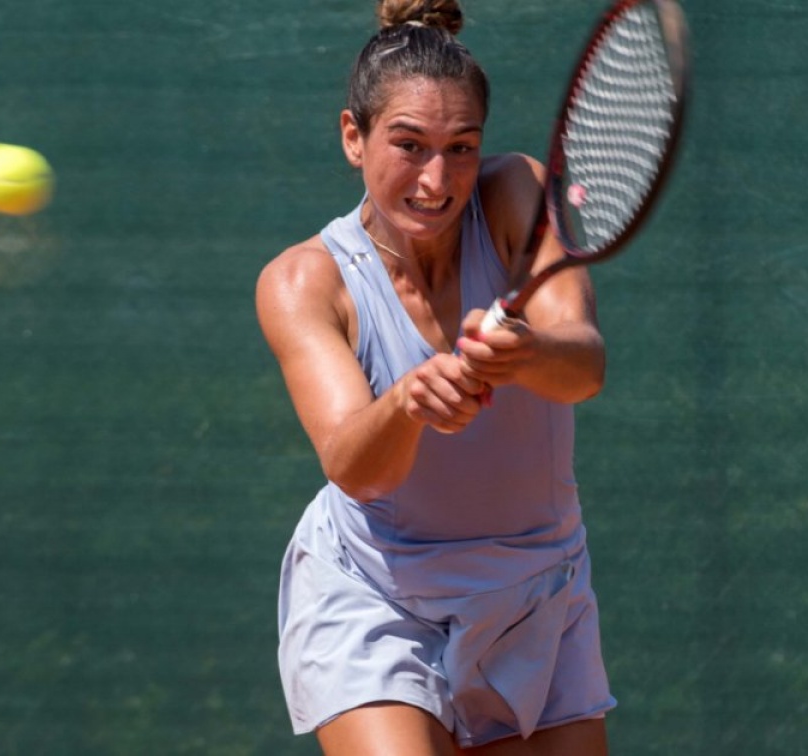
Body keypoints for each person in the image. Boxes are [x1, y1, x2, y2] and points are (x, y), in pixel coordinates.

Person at [255, 1, 616, 753]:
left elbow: (583, 366)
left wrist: (526, 353)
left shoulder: (514, 193)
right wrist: (408, 401)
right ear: (353, 137)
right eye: (409, 144)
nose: (436, 178)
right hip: (376, 595)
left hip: (538, 588)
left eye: (461, 148)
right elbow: (356, 467)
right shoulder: (303, 282)